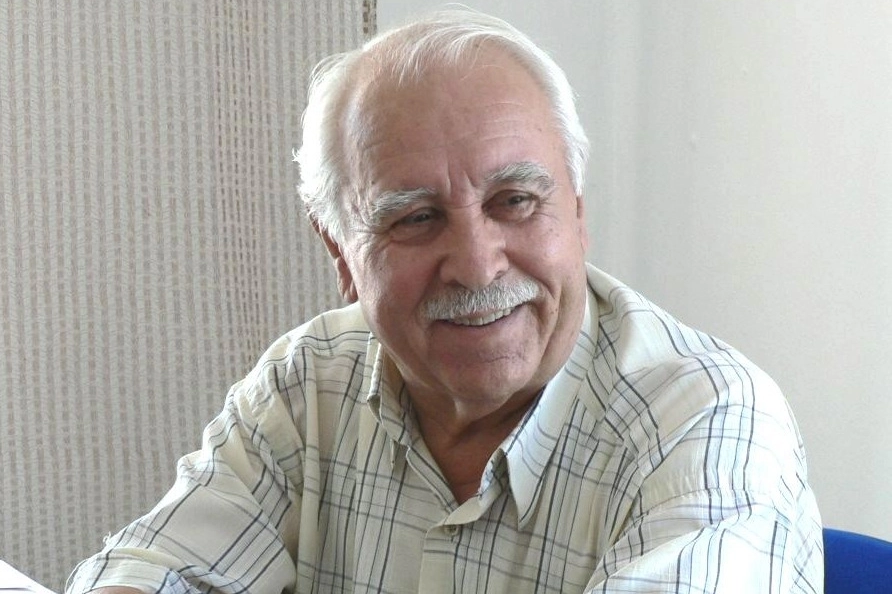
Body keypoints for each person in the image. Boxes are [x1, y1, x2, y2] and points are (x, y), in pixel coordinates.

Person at [67, 8, 823, 594]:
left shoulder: (707, 421)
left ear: (577, 212)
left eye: (515, 201)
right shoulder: (309, 386)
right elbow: (159, 568)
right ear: (341, 253)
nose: (475, 264)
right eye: (416, 218)